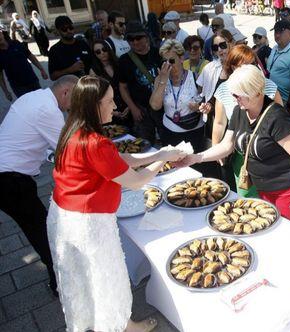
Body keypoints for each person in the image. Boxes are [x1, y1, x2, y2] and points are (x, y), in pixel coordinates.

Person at [48, 75, 185, 331]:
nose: (115, 106)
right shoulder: (94, 142)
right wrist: (161, 161)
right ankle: (123, 325)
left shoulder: (73, 129)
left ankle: (88, 321)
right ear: (93, 105)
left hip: (65, 215)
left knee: (81, 277)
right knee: (105, 276)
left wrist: (155, 154)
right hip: (88, 223)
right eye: (109, 101)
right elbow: (135, 181)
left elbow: (115, 159)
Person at [176, 65, 290, 222]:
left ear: (255, 93)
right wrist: (196, 158)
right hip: (260, 189)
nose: (234, 99)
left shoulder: (277, 117)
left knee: (288, 234)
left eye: (238, 95)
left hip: (285, 191)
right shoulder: (240, 111)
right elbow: (227, 145)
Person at [0, 75, 78, 297]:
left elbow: (40, 142)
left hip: (10, 176)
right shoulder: (49, 110)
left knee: (40, 228)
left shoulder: (35, 98)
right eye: (75, 98)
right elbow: (70, 149)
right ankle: (60, 285)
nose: (74, 106)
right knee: (43, 232)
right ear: (65, 93)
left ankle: (59, 278)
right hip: (10, 181)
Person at [213, 45, 282, 196]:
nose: (248, 69)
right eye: (242, 66)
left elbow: (282, 122)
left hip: (268, 155)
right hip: (241, 155)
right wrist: (216, 146)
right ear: (232, 67)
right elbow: (219, 123)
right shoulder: (225, 90)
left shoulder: (268, 86)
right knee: (246, 199)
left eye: (251, 64)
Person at [149, 39, 210, 153]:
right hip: (170, 132)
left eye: (171, 60)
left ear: (181, 58)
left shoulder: (195, 77)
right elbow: (155, 106)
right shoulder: (160, 79)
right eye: (164, 61)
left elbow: (205, 104)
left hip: (194, 132)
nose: (168, 65)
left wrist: (198, 107)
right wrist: (163, 80)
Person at [118, 21, 162, 143]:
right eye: (131, 39)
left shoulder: (158, 53)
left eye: (138, 37)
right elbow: (122, 86)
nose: (135, 42)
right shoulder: (124, 60)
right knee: (145, 144)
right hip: (141, 109)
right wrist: (132, 108)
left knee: (168, 140)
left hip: (162, 106)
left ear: (146, 37)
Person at [89, 39, 130, 128]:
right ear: (94, 55)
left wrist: (129, 106)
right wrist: (112, 111)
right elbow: (96, 97)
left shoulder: (119, 64)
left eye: (104, 49)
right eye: (98, 52)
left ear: (108, 49)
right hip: (109, 113)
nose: (102, 53)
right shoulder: (94, 71)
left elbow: (129, 86)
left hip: (128, 107)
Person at [0, 29, 47, 99]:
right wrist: (6, 92)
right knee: (27, 106)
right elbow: (0, 76)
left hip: (32, 79)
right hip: (18, 87)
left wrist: (41, 69)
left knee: (40, 100)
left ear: (2, 33)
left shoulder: (15, 43)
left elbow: (30, 56)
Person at [269, 20, 290, 112]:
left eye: (280, 32)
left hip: (283, 101)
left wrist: (289, 103)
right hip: (270, 96)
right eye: (276, 32)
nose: (277, 35)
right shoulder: (275, 48)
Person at [48, 16, 92, 80]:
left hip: (89, 83)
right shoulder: (54, 50)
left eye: (71, 28)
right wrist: (70, 70)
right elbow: (53, 76)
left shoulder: (83, 43)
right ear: (58, 31)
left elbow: (93, 62)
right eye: (64, 29)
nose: (68, 31)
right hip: (70, 86)